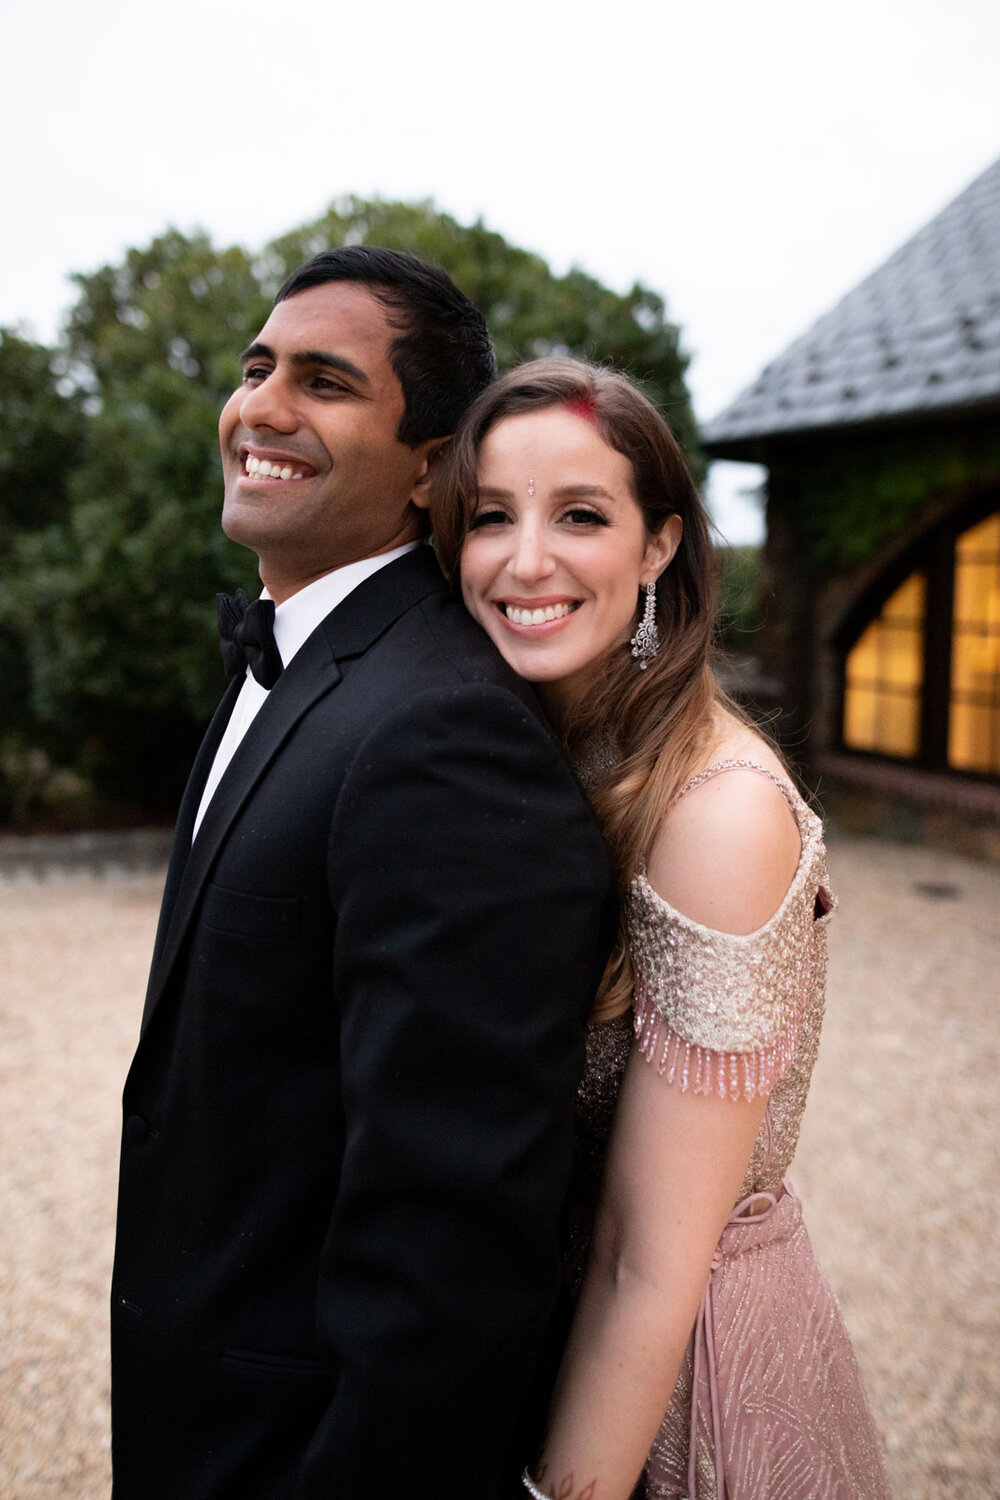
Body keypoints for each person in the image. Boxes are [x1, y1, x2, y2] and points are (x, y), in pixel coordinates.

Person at [110, 252, 615, 1500]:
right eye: (256, 368)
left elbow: (452, 1241)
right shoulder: (289, 654)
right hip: (195, 1390)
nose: (263, 407)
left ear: (432, 466)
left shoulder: (444, 733)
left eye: (326, 382)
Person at [431, 357, 893, 1500]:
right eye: (491, 516)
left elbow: (650, 1260)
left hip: (675, 1382)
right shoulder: (551, 748)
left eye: (580, 515)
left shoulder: (718, 814)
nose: (524, 559)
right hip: (551, 1334)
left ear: (659, 547)